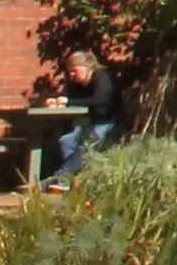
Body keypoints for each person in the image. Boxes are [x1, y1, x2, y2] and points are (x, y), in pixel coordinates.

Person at [43, 48, 122, 186]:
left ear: (87, 66)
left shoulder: (100, 78)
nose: (72, 74)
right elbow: (72, 98)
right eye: (69, 71)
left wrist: (68, 102)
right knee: (66, 141)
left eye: (75, 70)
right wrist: (56, 100)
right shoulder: (80, 85)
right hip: (91, 125)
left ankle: (60, 179)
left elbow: (99, 99)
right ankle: (74, 180)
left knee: (84, 147)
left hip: (109, 125)